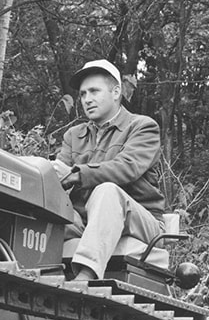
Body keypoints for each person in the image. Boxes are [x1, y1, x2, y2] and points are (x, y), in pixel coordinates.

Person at [54, 59, 168, 281]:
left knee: (107, 191)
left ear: (116, 92)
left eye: (94, 91)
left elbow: (126, 168)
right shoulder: (73, 135)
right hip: (85, 222)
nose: (87, 99)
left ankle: (86, 276)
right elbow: (60, 176)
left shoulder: (142, 127)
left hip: (139, 219)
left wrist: (76, 174)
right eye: (83, 94)